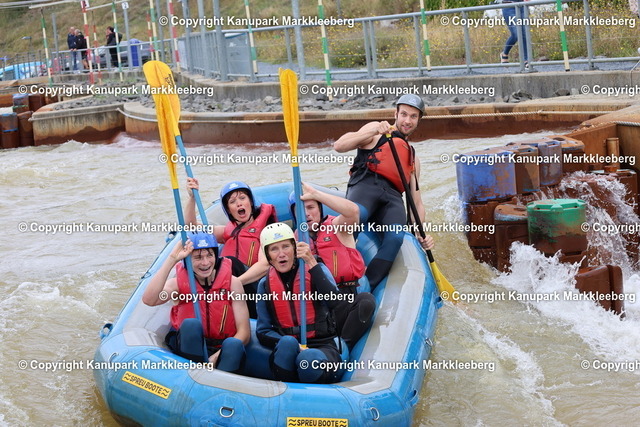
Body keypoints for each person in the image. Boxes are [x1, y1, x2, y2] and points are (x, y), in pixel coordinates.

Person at [334, 94, 434, 290]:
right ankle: (338, 278)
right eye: (404, 114)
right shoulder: (376, 130)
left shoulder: (413, 157)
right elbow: (339, 146)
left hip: (392, 199)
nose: (407, 120)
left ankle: (366, 287)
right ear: (395, 114)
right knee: (355, 217)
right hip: (366, 186)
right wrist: (371, 131)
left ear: (418, 120)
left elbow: (416, 202)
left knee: (396, 237)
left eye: (413, 116)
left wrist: (420, 233)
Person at [142, 232, 250, 373]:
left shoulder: (233, 284)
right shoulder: (177, 284)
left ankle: (220, 379)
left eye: (209, 255)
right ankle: (193, 375)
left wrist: (216, 357)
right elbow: (149, 300)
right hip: (191, 348)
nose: (205, 263)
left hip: (221, 349)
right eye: (198, 257)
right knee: (191, 325)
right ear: (187, 260)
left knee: (234, 344)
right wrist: (171, 260)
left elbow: (244, 333)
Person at [289, 183, 376, 350]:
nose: (306, 213)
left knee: (366, 301)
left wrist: (316, 194)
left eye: (311, 207)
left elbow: (353, 212)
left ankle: (342, 347)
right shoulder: (294, 239)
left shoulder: (338, 227)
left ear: (320, 208)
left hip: (342, 299)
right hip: (315, 306)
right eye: (300, 209)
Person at [256, 223, 346, 383]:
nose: (281, 254)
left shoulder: (316, 269)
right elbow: (263, 331)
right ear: (268, 255)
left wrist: (311, 261)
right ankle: (286, 391)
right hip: (289, 349)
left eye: (286, 247)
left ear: (294, 248)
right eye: (274, 249)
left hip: (323, 346)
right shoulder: (265, 285)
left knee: (308, 359)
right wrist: (294, 345)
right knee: (287, 343)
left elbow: (335, 302)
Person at [185, 178, 276, 318]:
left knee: (229, 262)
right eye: (232, 202)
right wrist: (192, 198)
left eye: (242, 198)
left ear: (251, 202)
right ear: (229, 210)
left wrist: (233, 284)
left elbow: (264, 265)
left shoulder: (266, 231)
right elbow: (191, 225)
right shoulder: (227, 232)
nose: (239, 203)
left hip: (255, 289)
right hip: (227, 287)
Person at [500, 0, 530, 68]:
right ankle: (505, 53)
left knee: (524, 34)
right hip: (509, 6)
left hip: (522, 6)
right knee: (516, 34)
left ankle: (526, 60)